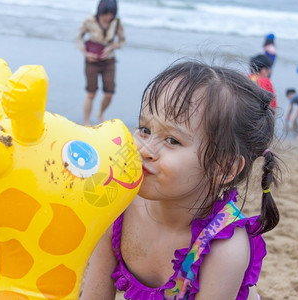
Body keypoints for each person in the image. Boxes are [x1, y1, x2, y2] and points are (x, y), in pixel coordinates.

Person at [81, 59, 282, 300]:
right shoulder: (118, 206)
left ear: (224, 167)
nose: (145, 149)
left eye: (172, 140)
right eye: (144, 129)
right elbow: (93, 295)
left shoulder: (224, 246)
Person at [77, 0, 125, 125]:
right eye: (106, 14)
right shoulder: (89, 21)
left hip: (109, 60)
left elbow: (121, 41)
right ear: (100, 11)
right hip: (91, 60)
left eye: (111, 14)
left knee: (109, 94)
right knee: (91, 93)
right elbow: (79, 37)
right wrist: (85, 53)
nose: (108, 17)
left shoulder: (117, 23)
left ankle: (100, 113)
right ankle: (86, 121)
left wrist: (110, 47)